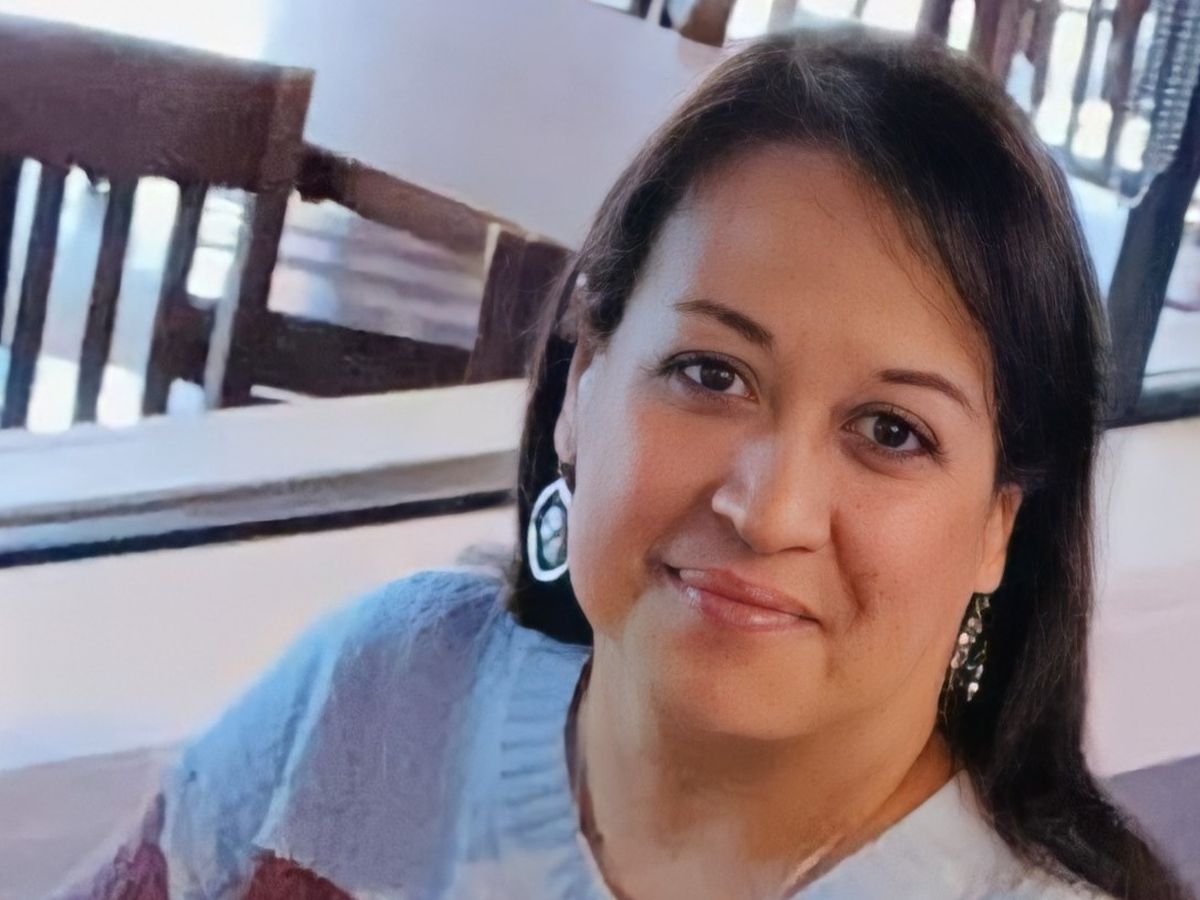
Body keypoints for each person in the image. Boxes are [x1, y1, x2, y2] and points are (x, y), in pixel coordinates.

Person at [58, 27, 1192, 900]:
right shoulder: (383, 695)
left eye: (891, 432)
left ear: (999, 524)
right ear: (585, 379)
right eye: (711, 372)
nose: (769, 507)